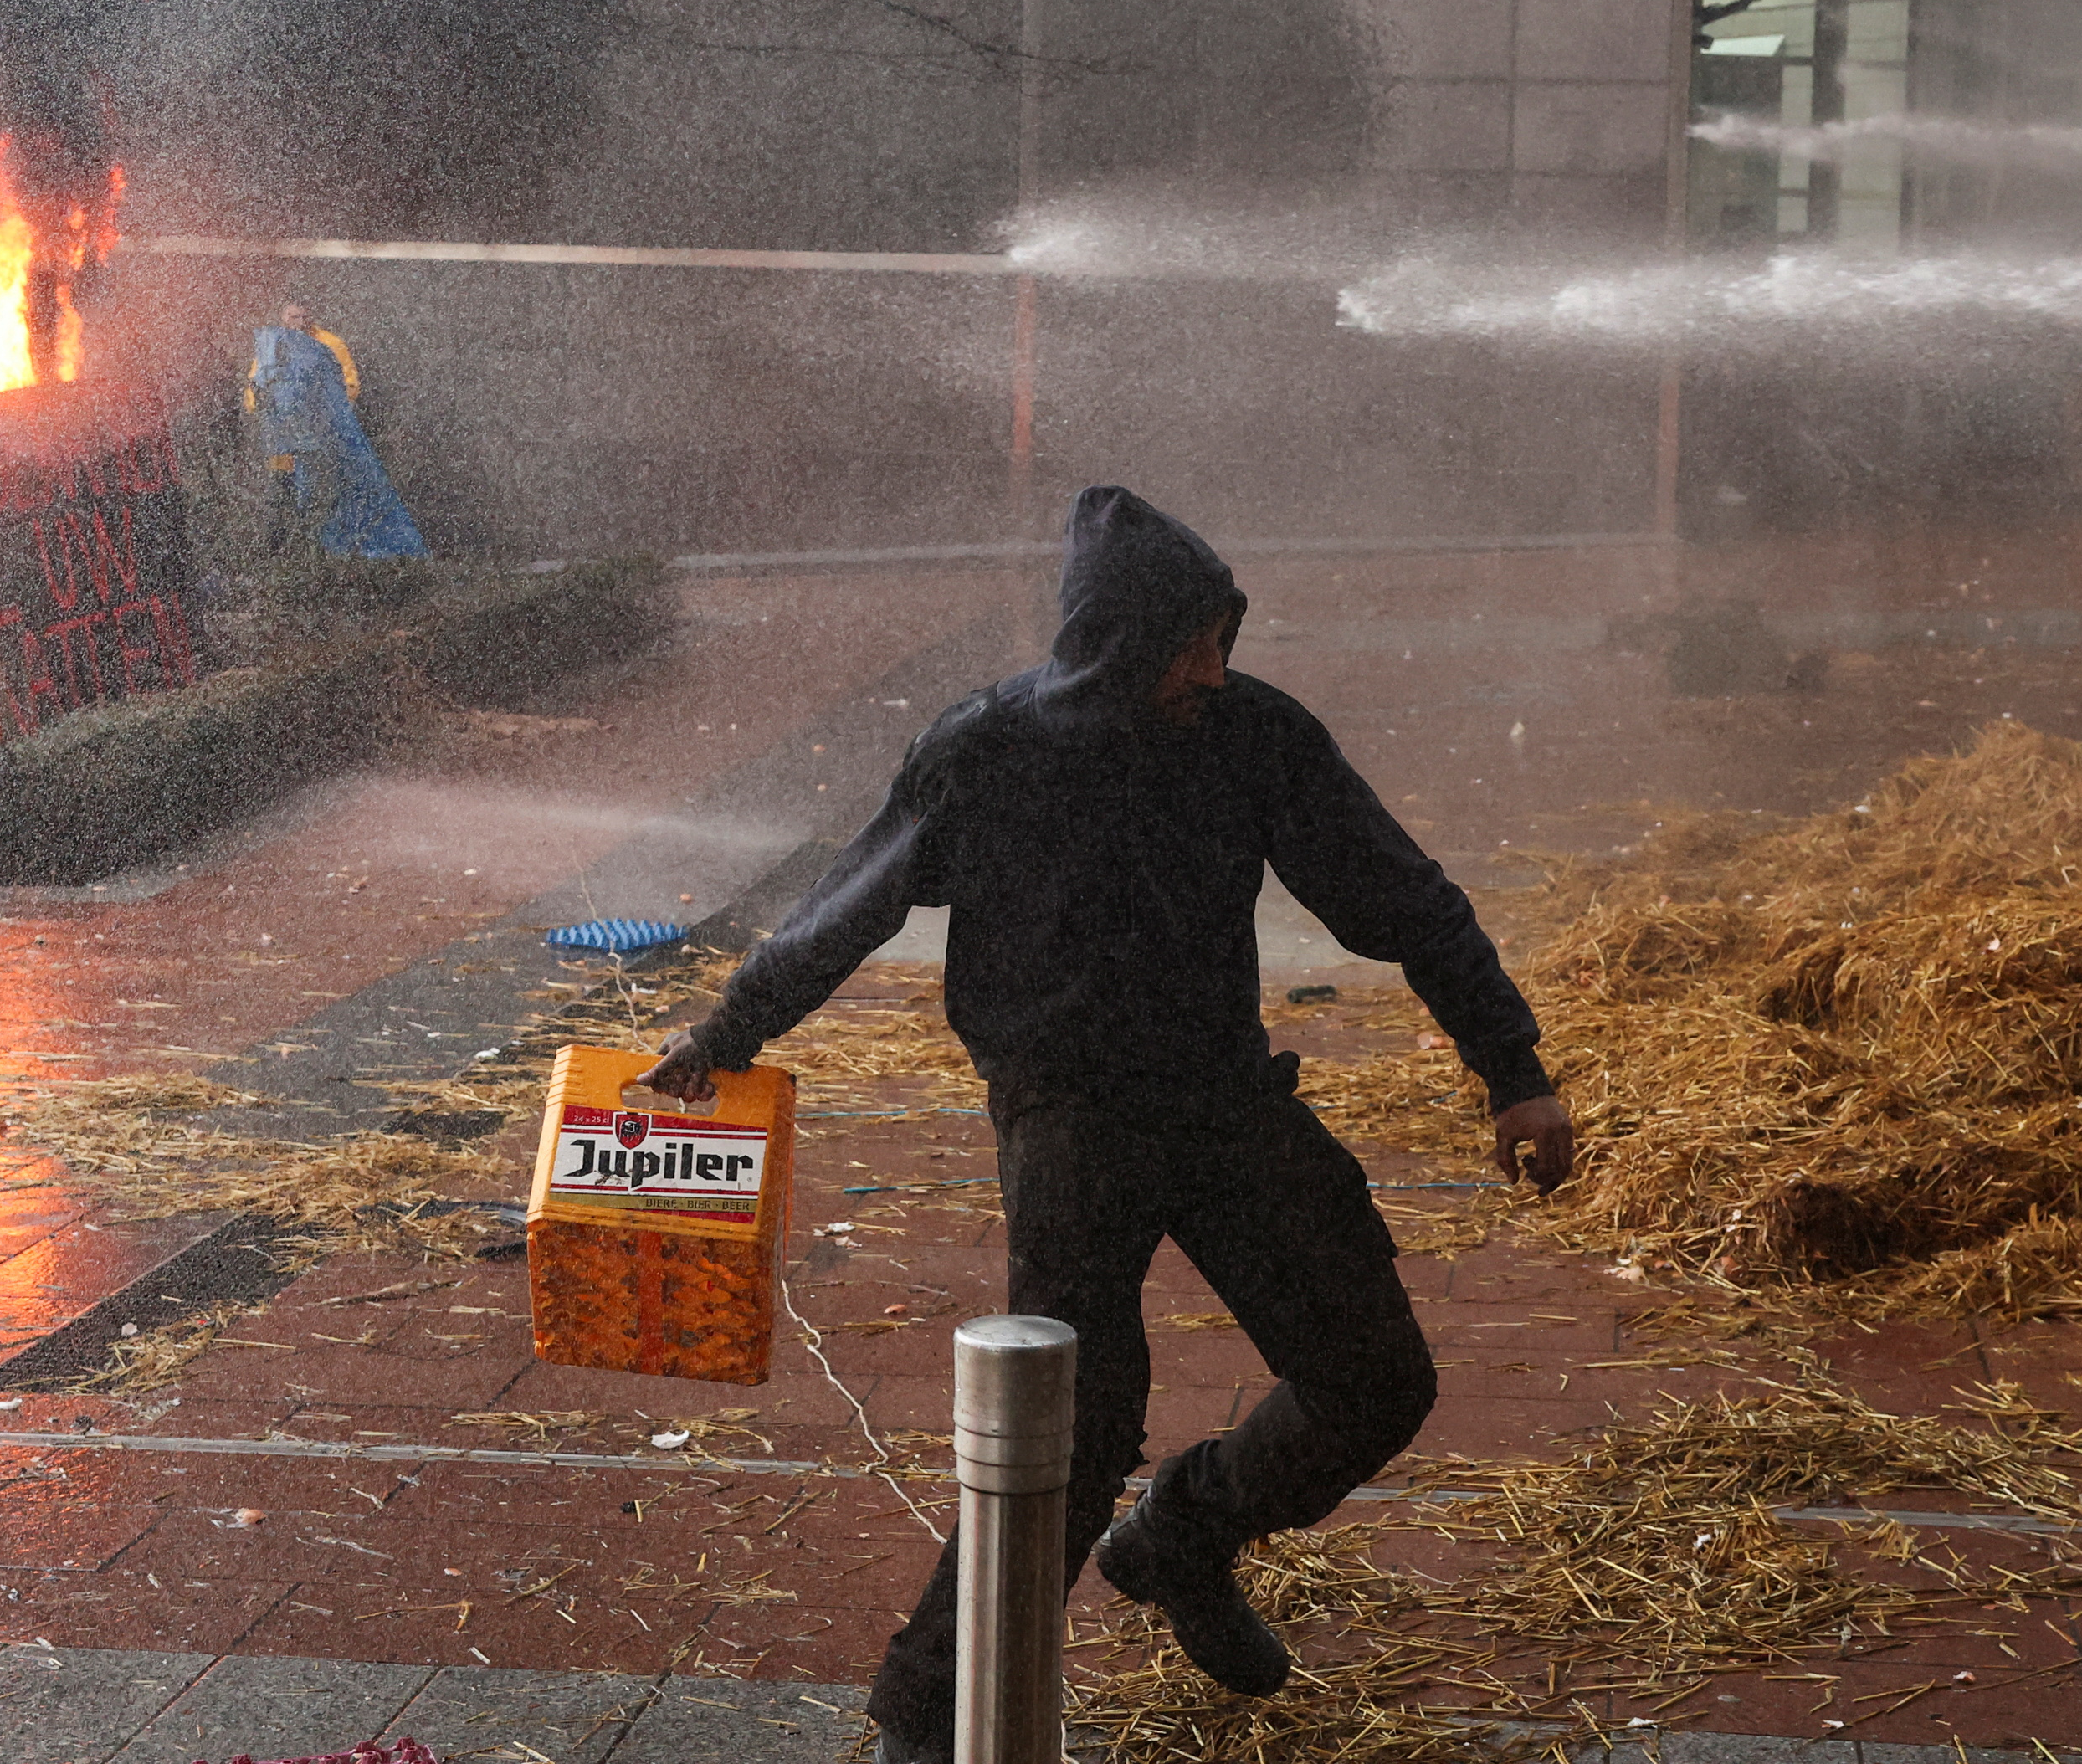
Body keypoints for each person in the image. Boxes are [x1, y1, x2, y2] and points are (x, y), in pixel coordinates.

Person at [644, 486, 1577, 1764]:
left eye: (1223, 639)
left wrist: (1511, 1066)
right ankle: (929, 1712)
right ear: (1119, 644)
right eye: (1192, 643)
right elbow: (849, 902)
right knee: (1074, 1427)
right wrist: (727, 1032)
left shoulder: (1254, 739)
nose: (1215, 668)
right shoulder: (986, 747)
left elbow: (1403, 898)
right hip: (1065, 1118)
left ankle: (1185, 1536)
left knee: (1377, 1382)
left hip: (1222, 1098)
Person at [245, 300, 428, 557]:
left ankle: (320, 555)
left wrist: (319, 416)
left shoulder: (329, 344)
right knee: (279, 501)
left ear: (310, 315)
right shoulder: (274, 346)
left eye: (301, 315)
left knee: (319, 500)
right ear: (283, 317)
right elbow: (256, 387)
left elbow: (348, 386)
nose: (297, 321)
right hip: (283, 448)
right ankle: (278, 555)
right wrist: (268, 412)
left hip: (319, 446)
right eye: (291, 316)